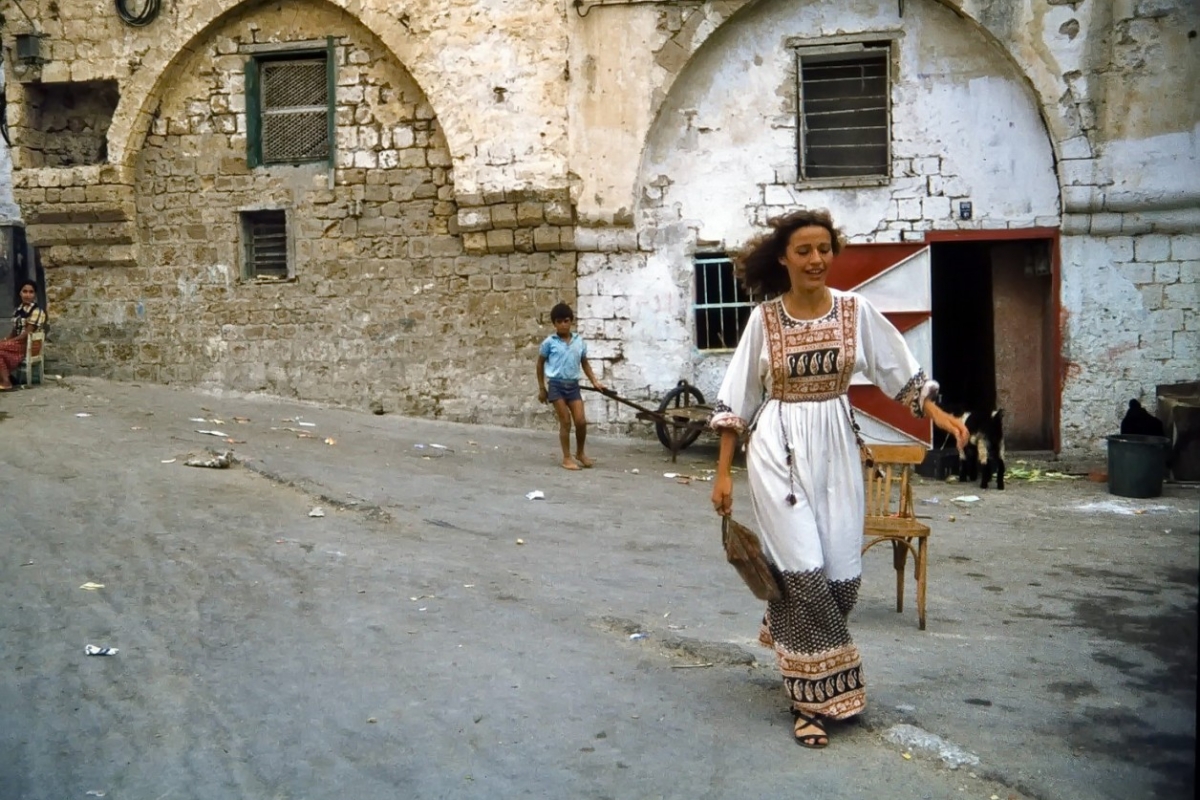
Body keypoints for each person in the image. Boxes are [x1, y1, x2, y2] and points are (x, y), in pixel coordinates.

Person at [708, 210, 967, 748]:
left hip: (837, 445)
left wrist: (936, 414)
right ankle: (813, 702)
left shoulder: (856, 311)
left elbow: (899, 369)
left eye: (824, 248)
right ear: (783, 257)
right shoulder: (766, 320)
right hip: (778, 450)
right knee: (803, 571)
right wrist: (723, 475)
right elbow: (737, 397)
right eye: (803, 250)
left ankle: (790, 634)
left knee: (841, 577)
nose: (816, 260)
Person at [536, 302, 606, 470]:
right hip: (556, 386)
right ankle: (567, 457)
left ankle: (580, 453)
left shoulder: (578, 342)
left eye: (566, 321)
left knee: (581, 421)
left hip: (573, 386)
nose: (563, 325)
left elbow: (585, 363)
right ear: (554, 324)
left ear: (571, 322)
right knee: (566, 421)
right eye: (559, 322)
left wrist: (595, 382)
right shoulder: (549, 343)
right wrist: (541, 388)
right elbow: (539, 365)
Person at [0, 281, 47, 391]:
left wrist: (7, 343)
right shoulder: (18, 310)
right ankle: (7, 380)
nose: (27, 295)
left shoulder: (37, 311)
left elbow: (26, 333)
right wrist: (6, 340)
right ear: (20, 293)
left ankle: (6, 381)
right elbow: (14, 331)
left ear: (34, 294)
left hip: (27, 345)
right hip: (16, 344)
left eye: (31, 292)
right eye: (24, 291)